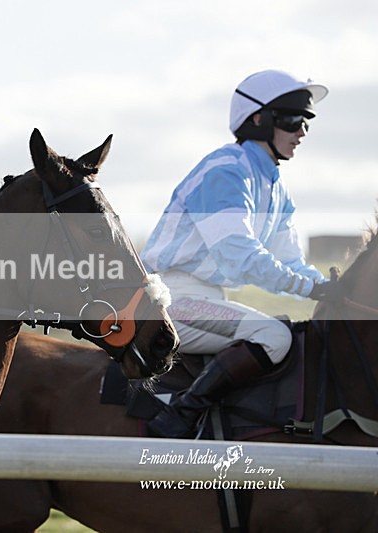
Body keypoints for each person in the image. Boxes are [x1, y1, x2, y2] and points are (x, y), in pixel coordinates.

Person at [141, 69, 343, 438]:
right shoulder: (226, 170)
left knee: (292, 337)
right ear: (258, 119)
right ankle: (180, 416)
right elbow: (241, 258)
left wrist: (333, 288)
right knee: (276, 337)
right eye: (294, 121)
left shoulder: (276, 187)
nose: (302, 133)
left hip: (208, 299)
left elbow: (290, 261)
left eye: (307, 124)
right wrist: (312, 289)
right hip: (169, 299)